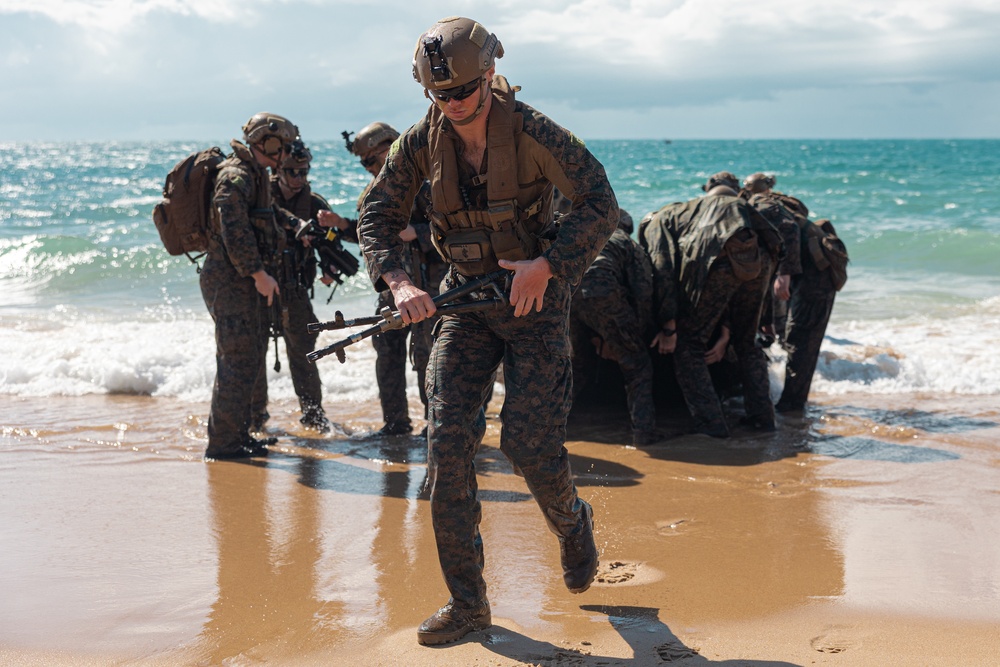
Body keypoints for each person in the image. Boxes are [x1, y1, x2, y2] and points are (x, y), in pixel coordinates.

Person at [355, 17, 618, 645]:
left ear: (490, 76)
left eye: (463, 94)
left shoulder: (534, 131)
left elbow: (599, 202)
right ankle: (469, 605)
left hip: (534, 302)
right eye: (439, 97)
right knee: (445, 448)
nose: (453, 106)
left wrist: (549, 265)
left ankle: (572, 522)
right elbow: (377, 213)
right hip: (464, 304)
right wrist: (400, 283)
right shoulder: (419, 142)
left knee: (528, 446)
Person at [319, 122, 447, 436]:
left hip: (427, 289)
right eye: (364, 163)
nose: (370, 168)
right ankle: (395, 424)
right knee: (387, 354)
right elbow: (371, 237)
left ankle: (436, 428)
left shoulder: (424, 185)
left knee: (426, 356)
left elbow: (455, 230)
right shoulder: (373, 193)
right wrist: (342, 225)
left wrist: (416, 232)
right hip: (390, 292)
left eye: (373, 159)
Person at [640, 172, 782, 438]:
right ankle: (763, 419)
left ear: (708, 188)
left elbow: (662, 265)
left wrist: (669, 324)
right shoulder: (745, 207)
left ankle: (712, 426)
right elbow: (777, 246)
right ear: (735, 189)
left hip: (718, 260)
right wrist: (767, 315)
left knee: (688, 345)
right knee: (747, 342)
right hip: (760, 262)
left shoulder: (674, 213)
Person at [201, 112, 301, 459]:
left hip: (242, 282)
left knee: (247, 360)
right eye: (282, 146)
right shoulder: (236, 176)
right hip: (231, 281)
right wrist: (258, 274)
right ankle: (223, 444)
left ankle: (239, 435)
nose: (286, 153)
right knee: (237, 361)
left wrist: (298, 226)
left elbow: (267, 214)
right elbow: (233, 230)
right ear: (267, 142)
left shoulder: (256, 175)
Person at [247, 139, 332, 433]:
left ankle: (313, 414)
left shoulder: (314, 202)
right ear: (279, 170)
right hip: (263, 288)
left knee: (303, 353)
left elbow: (328, 242)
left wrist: (330, 268)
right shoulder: (261, 196)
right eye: (293, 172)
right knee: (255, 351)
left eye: (304, 172)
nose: (300, 179)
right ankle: (256, 418)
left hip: (295, 289)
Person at [743, 173, 838, 413]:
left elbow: (789, 229)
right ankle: (787, 398)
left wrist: (783, 275)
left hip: (816, 274)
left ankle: (792, 406)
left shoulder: (761, 204)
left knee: (801, 339)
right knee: (790, 335)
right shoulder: (776, 202)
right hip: (804, 271)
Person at [569, 210, 658, 445]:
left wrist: (599, 336)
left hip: (567, 297)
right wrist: (634, 333)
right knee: (637, 366)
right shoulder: (627, 242)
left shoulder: (586, 239)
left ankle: (552, 426)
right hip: (604, 294)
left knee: (576, 366)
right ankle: (644, 434)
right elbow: (643, 291)